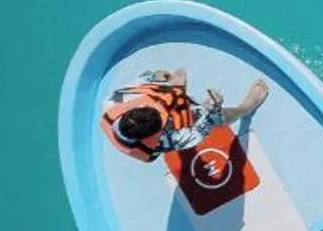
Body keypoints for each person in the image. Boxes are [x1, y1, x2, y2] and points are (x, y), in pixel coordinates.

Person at [101, 67, 269, 161]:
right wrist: (213, 109)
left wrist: (155, 76)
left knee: (177, 78)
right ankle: (247, 107)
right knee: (217, 118)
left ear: (132, 109)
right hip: (171, 133)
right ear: (154, 134)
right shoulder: (167, 140)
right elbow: (199, 131)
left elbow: (138, 82)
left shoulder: (114, 102)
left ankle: (189, 106)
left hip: (152, 109)